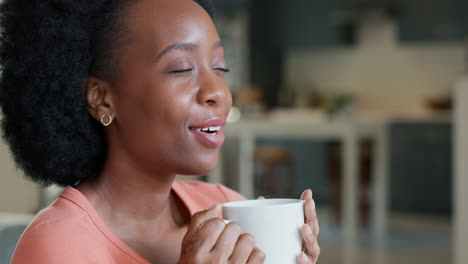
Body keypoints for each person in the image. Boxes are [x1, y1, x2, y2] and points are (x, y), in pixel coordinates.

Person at [0, 0, 320, 263]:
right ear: (102, 99)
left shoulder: (227, 208)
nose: (218, 92)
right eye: (182, 68)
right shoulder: (58, 247)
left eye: (220, 68)